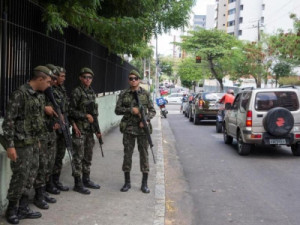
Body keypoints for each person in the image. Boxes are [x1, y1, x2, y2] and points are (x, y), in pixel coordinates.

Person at [2, 66, 54, 224]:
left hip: (33, 143)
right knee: (20, 177)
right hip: (21, 145)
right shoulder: (20, 94)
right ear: (40, 79)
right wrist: (10, 146)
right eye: (48, 81)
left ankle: (23, 208)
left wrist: (38, 140)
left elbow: (36, 121)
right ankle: (11, 210)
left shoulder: (39, 96)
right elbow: (8, 123)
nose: (49, 85)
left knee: (31, 176)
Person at [115, 70, 156, 193]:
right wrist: (131, 110)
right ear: (129, 80)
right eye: (131, 78)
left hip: (143, 130)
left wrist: (146, 120)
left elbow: (152, 110)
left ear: (139, 80)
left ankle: (144, 184)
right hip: (129, 129)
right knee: (127, 155)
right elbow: (117, 110)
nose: (133, 80)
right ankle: (127, 183)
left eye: (135, 78)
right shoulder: (124, 94)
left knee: (144, 155)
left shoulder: (145, 94)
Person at [69, 67, 101, 195]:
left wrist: (97, 130)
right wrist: (84, 116)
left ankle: (86, 179)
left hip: (89, 130)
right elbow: (70, 111)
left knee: (88, 155)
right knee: (78, 156)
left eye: (90, 77)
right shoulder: (77, 92)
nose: (88, 79)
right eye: (85, 77)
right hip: (80, 130)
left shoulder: (91, 92)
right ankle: (77, 183)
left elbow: (94, 114)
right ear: (80, 78)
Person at [33, 64, 60, 210]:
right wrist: (45, 109)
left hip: (48, 132)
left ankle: (43, 192)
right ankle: (38, 195)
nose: (53, 82)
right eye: (51, 79)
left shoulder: (50, 91)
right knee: (41, 165)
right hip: (39, 135)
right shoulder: (37, 92)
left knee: (48, 163)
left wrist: (55, 122)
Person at [51, 65, 70, 192]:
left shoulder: (62, 89)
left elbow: (65, 109)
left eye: (64, 76)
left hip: (63, 126)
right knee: (51, 157)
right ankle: (49, 183)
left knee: (60, 155)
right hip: (54, 128)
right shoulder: (49, 89)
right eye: (61, 76)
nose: (63, 78)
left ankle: (56, 180)